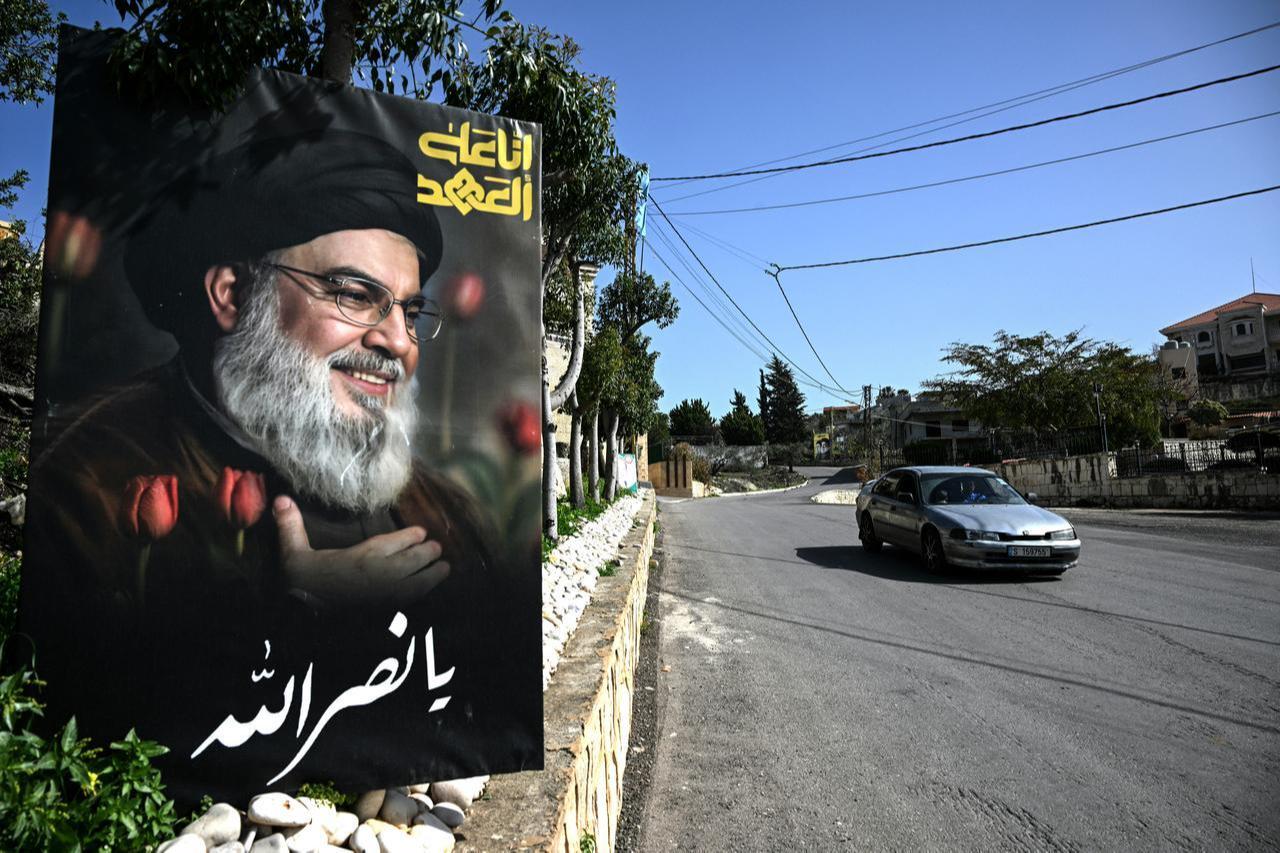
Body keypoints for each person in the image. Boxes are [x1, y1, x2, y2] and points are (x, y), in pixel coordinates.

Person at [20, 130, 531, 797]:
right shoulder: (88, 477)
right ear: (231, 294)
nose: (398, 342)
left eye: (409, 310)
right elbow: (84, 719)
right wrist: (292, 606)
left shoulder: (441, 511)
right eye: (353, 294)